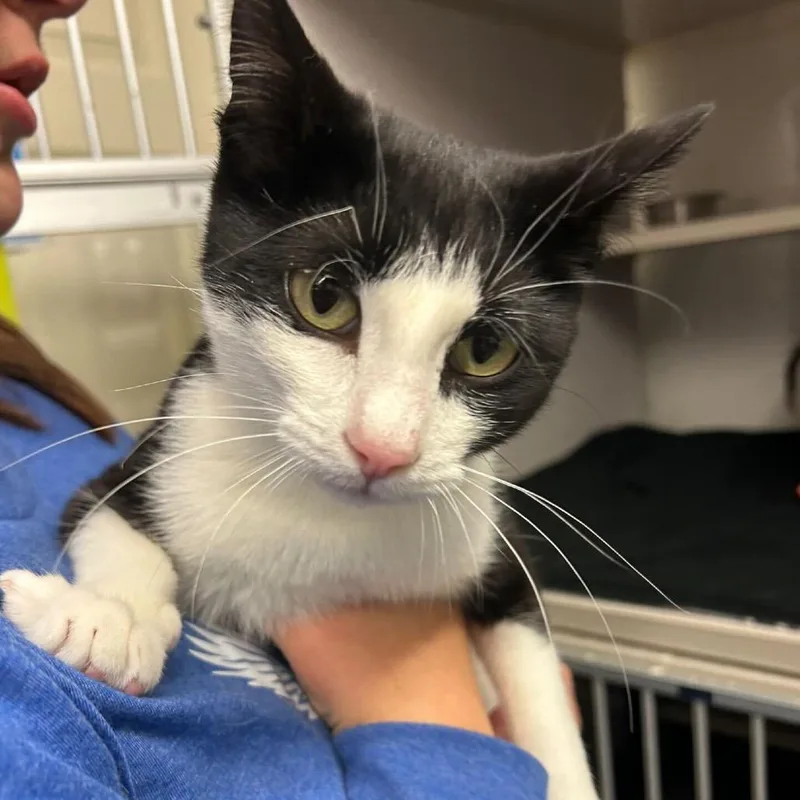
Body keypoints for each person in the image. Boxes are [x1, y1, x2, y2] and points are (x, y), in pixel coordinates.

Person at [0, 2, 576, 797]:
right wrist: (131, 595)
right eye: (328, 302)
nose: (386, 441)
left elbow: (506, 595)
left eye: (482, 350)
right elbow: (116, 510)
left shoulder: (29, 391)